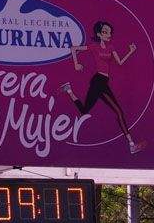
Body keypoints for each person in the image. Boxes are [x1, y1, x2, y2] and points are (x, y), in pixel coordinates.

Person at [60, 20, 145, 155]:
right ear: (99, 34)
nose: (108, 34)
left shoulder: (111, 47)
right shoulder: (94, 47)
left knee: (84, 110)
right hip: (98, 81)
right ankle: (131, 145)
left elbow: (120, 62)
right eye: (105, 32)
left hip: (103, 81)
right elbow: (73, 48)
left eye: (109, 32)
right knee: (118, 111)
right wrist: (76, 64)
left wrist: (131, 51)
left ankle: (68, 89)